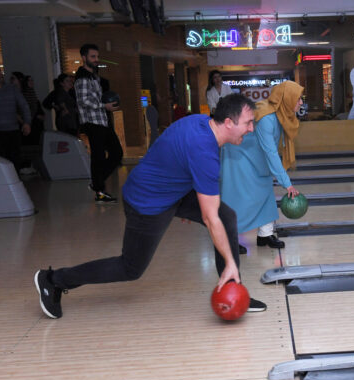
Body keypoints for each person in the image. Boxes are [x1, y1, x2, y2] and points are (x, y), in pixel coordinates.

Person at [34, 94, 266, 319]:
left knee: (227, 216)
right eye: (248, 123)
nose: (251, 129)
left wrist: (186, 196)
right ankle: (53, 280)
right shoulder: (204, 150)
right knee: (130, 268)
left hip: (172, 191)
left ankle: (234, 290)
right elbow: (210, 217)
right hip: (147, 202)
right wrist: (228, 259)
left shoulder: (200, 122)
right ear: (228, 122)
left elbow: (169, 154)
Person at [220, 81, 303, 252]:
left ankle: (265, 235)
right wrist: (286, 183)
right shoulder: (267, 118)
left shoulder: (281, 115)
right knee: (239, 198)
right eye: (298, 99)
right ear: (287, 99)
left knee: (265, 194)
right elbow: (271, 152)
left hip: (256, 159)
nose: (301, 102)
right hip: (239, 157)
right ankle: (229, 239)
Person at [75, 43, 123, 203]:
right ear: (84, 58)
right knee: (98, 157)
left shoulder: (94, 77)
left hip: (101, 122)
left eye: (97, 56)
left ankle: (97, 183)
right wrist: (104, 106)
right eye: (92, 57)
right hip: (92, 123)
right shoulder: (82, 79)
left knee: (117, 153)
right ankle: (100, 192)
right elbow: (82, 101)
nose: (96, 59)